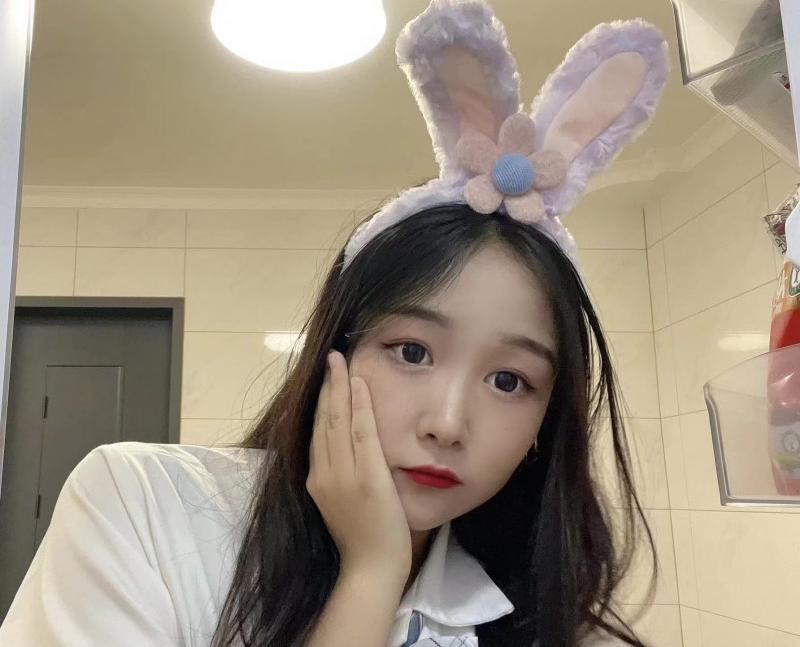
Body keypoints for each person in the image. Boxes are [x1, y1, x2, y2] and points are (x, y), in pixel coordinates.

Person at [0, 1, 670, 645]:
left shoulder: (548, 616)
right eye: (412, 351)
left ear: (546, 423)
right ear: (334, 351)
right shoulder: (143, 506)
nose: (447, 423)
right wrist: (371, 574)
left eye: (508, 380)